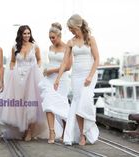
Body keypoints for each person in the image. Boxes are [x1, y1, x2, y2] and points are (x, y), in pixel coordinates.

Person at [0, 25, 47, 141]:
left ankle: (29, 131)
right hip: (18, 78)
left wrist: (38, 68)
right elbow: (12, 62)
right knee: (21, 105)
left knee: (32, 104)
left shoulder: (35, 46)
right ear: (20, 34)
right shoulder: (15, 47)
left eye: (28, 33)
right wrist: (12, 71)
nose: (27, 35)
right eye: (24, 33)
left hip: (32, 77)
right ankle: (23, 129)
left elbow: (39, 59)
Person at [54, 14, 100, 146]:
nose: (70, 30)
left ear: (78, 26)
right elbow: (64, 63)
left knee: (86, 102)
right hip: (76, 77)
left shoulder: (90, 39)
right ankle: (82, 134)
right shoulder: (70, 42)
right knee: (78, 103)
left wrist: (90, 76)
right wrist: (58, 78)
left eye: (71, 28)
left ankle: (87, 129)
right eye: (69, 28)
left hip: (89, 75)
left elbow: (97, 59)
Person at [38, 22, 71, 144]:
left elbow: (68, 66)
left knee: (61, 105)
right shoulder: (50, 48)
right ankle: (52, 131)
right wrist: (47, 70)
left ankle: (66, 130)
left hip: (61, 79)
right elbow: (50, 62)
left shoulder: (68, 47)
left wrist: (52, 70)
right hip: (49, 79)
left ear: (59, 36)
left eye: (53, 37)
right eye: (50, 38)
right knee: (48, 103)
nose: (51, 40)